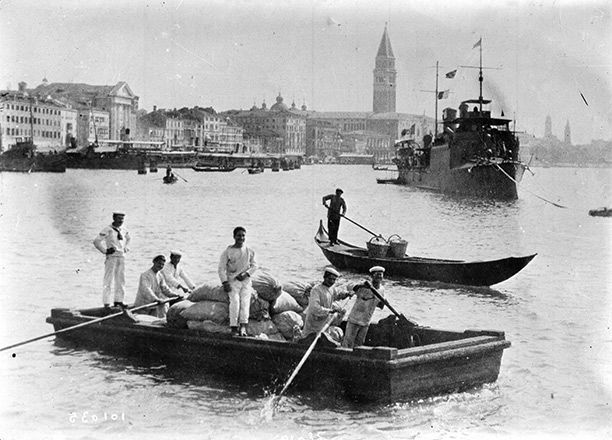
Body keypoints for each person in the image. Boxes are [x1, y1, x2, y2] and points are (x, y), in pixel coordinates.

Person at [218, 226, 257, 336]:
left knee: (245, 302)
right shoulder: (228, 251)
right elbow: (221, 268)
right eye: (239, 235)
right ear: (234, 237)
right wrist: (225, 282)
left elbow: (255, 266)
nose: (241, 238)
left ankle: (243, 326)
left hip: (245, 281)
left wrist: (246, 274)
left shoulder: (249, 250)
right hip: (232, 281)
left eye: (243, 235)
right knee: (235, 301)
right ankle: (234, 327)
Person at [93, 212, 131, 308]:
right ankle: (106, 303)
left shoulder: (124, 229)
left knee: (121, 280)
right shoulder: (108, 229)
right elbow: (96, 241)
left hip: (121, 257)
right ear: (114, 218)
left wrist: (126, 247)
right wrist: (105, 251)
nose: (121, 221)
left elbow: (129, 238)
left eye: (122, 219)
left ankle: (119, 301)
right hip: (112, 257)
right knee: (108, 280)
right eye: (118, 218)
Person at [301, 267, 352, 340]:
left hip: (324, 322)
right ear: (324, 277)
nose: (331, 281)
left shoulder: (331, 288)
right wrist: (330, 311)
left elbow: (338, 294)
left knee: (323, 338)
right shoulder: (316, 290)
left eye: (334, 280)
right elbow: (315, 308)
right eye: (330, 279)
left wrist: (347, 294)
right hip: (314, 323)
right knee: (310, 339)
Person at [342, 266, 386, 349]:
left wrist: (383, 302)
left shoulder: (382, 290)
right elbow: (349, 287)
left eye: (381, 275)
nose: (379, 277)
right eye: (377, 275)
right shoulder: (363, 286)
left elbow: (380, 305)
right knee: (348, 343)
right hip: (354, 320)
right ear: (372, 276)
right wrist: (361, 285)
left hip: (366, 322)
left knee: (359, 344)